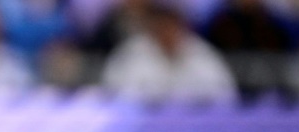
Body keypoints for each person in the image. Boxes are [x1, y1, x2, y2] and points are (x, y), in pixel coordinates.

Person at [101, 0, 236, 100]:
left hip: (193, 125)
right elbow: (112, 95)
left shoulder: (201, 53)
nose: (167, 31)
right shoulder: (130, 53)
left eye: (171, 26)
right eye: (162, 26)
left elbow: (224, 95)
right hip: (139, 124)